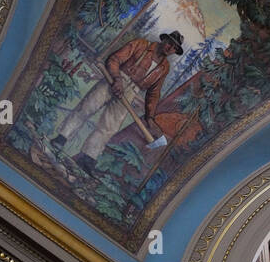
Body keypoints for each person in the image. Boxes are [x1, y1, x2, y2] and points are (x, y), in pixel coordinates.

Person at [50, 31, 184, 174]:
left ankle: (87, 157)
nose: (170, 48)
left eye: (175, 48)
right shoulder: (142, 44)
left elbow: (154, 93)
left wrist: (149, 117)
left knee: (110, 126)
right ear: (164, 40)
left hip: (132, 91)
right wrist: (117, 79)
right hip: (114, 78)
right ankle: (62, 137)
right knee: (87, 107)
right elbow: (114, 59)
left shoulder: (164, 68)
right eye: (170, 43)